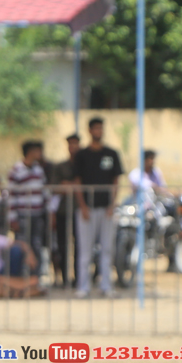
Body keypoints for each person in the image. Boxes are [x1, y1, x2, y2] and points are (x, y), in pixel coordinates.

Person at [72, 117, 124, 297]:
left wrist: (112, 204)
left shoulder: (111, 153)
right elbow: (77, 181)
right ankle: (83, 286)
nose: (98, 131)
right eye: (95, 128)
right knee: (85, 250)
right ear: (89, 130)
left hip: (106, 209)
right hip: (87, 209)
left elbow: (116, 180)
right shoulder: (81, 155)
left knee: (107, 249)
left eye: (100, 128)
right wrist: (82, 206)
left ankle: (106, 286)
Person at [7, 140, 49, 262]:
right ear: (30, 152)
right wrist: (12, 218)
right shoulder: (16, 170)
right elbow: (11, 195)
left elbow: (44, 191)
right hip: (23, 214)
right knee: (22, 245)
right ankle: (21, 272)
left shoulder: (39, 170)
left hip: (37, 214)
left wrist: (48, 210)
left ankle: (35, 272)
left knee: (37, 245)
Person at [49, 134, 81, 288]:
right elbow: (55, 188)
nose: (73, 147)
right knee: (62, 246)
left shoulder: (83, 165)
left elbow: (81, 186)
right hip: (63, 212)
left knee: (80, 246)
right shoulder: (60, 166)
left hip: (80, 211)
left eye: (75, 143)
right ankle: (64, 278)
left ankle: (79, 278)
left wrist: (68, 185)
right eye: (70, 144)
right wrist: (71, 186)